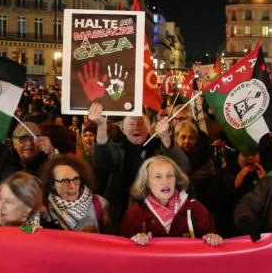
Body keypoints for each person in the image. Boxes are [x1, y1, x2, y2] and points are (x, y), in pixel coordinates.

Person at [88, 102, 189, 232]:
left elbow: (183, 168)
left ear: (149, 128)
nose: (136, 127)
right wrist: (101, 126)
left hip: (156, 209)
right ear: (123, 129)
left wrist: (165, 138)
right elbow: (101, 165)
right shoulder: (116, 146)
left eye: (141, 123)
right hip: (120, 208)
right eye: (131, 124)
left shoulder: (159, 145)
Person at [120, 156, 221, 246]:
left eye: (170, 175)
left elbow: (213, 245)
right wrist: (133, 242)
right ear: (147, 183)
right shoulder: (134, 214)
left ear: (176, 180)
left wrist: (212, 239)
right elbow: (122, 251)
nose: (165, 181)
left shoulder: (196, 209)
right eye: (158, 177)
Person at [39, 155, 110, 233]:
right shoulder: (43, 208)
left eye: (76, 179)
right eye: (65, 181)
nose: (72, 186)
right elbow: (25, 229)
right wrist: (33, 229)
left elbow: (113, 239)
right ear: (52, 184)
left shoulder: (100, 204)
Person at [173, 120, 215, 198]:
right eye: (183, 137)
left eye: (191, 138)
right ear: (176, 139)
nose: (187, 141)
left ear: (196, 140)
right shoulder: (171, 157)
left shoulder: (204, 158)